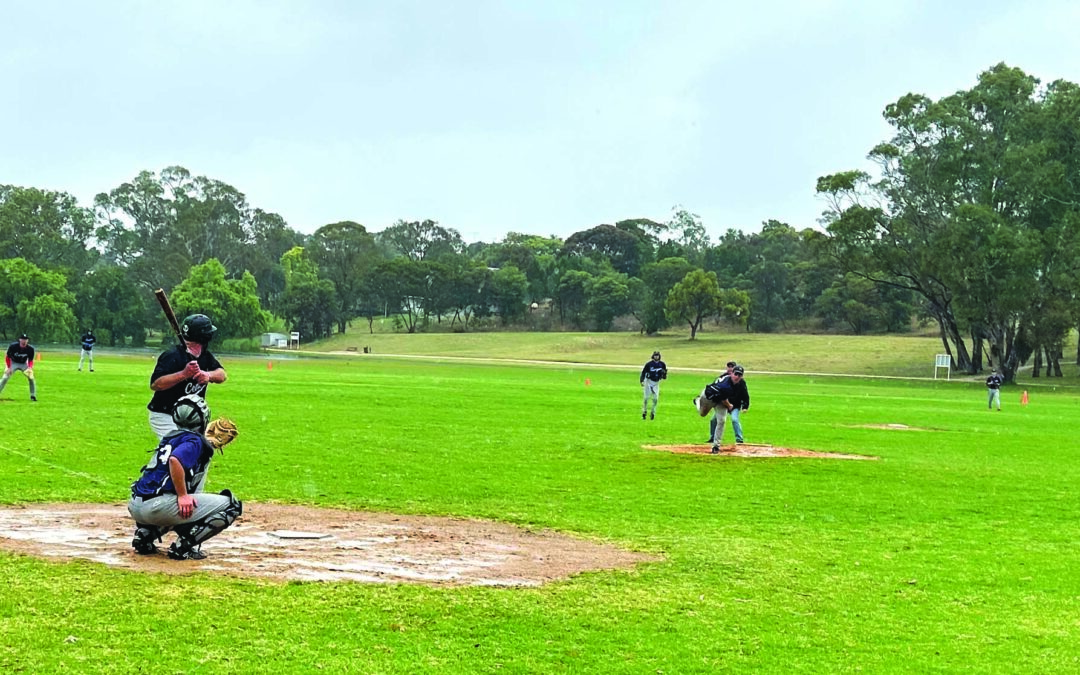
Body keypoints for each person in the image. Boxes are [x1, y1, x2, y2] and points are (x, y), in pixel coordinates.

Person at [128, 394, 242, 560]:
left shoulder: (170, 437)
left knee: (186, 503)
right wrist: (182, 496)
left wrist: (206, 445)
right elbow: (176, 460)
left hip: (136, 505)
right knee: (232, 506)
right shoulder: (194, 441)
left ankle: (146, 535)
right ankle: (183, 547)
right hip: (157, 508)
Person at [147, 314, 227, 440]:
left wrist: (207, 375)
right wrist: (184, 374)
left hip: (191, 417)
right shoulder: (172, 356)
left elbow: (222, 374)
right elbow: (156, 384)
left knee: (194, 453)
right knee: (179, 450)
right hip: (165, 414)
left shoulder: (204, 354)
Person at [693, 375, 737, 453]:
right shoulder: (726, 386)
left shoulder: (736, 382)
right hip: (708, 397)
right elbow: (725, 400)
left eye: (740, 375)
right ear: (732, 374)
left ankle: (716, 446)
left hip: (720, 400)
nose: (737, 376)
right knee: (702, 414)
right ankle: (697, 401)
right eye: (736, 374)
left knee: (722, 421)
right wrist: (730, 406)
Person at [0, 334, 37, 402]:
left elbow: (30, 360)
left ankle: (33, 395)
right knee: (5, 377)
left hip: (23, 364)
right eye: (23, 339)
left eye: (26, 339)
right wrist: (9, 368)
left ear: (27, 340)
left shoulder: (30, 349)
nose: (24, 341)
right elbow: (8, 357)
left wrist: (30, 368)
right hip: (13, 363)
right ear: (20, 340)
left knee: (31, 378)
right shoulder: (13, 346)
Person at [707, 362, 737, 442]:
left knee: (735, 420)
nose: (730, 368)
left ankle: (739, 440)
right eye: (729, 367)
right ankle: (712, 438)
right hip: (722, 403)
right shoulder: (722, 377)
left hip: (733, 404)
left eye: (732, 367)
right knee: (714, 420)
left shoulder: (738, 380)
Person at [639, 350, 667, 420]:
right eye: (655, 355)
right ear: (653, 356)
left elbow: (664, 377)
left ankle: (653, 413)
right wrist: (641, 380)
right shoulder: (649, 364)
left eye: (657, 355)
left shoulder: (662, 364)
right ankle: (644, 411)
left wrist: (664, 374)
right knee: (646, 398)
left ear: (659, 356)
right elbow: (643, 372)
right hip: (648, 381)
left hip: (656, 383)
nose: (656, 357)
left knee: (655, 399)